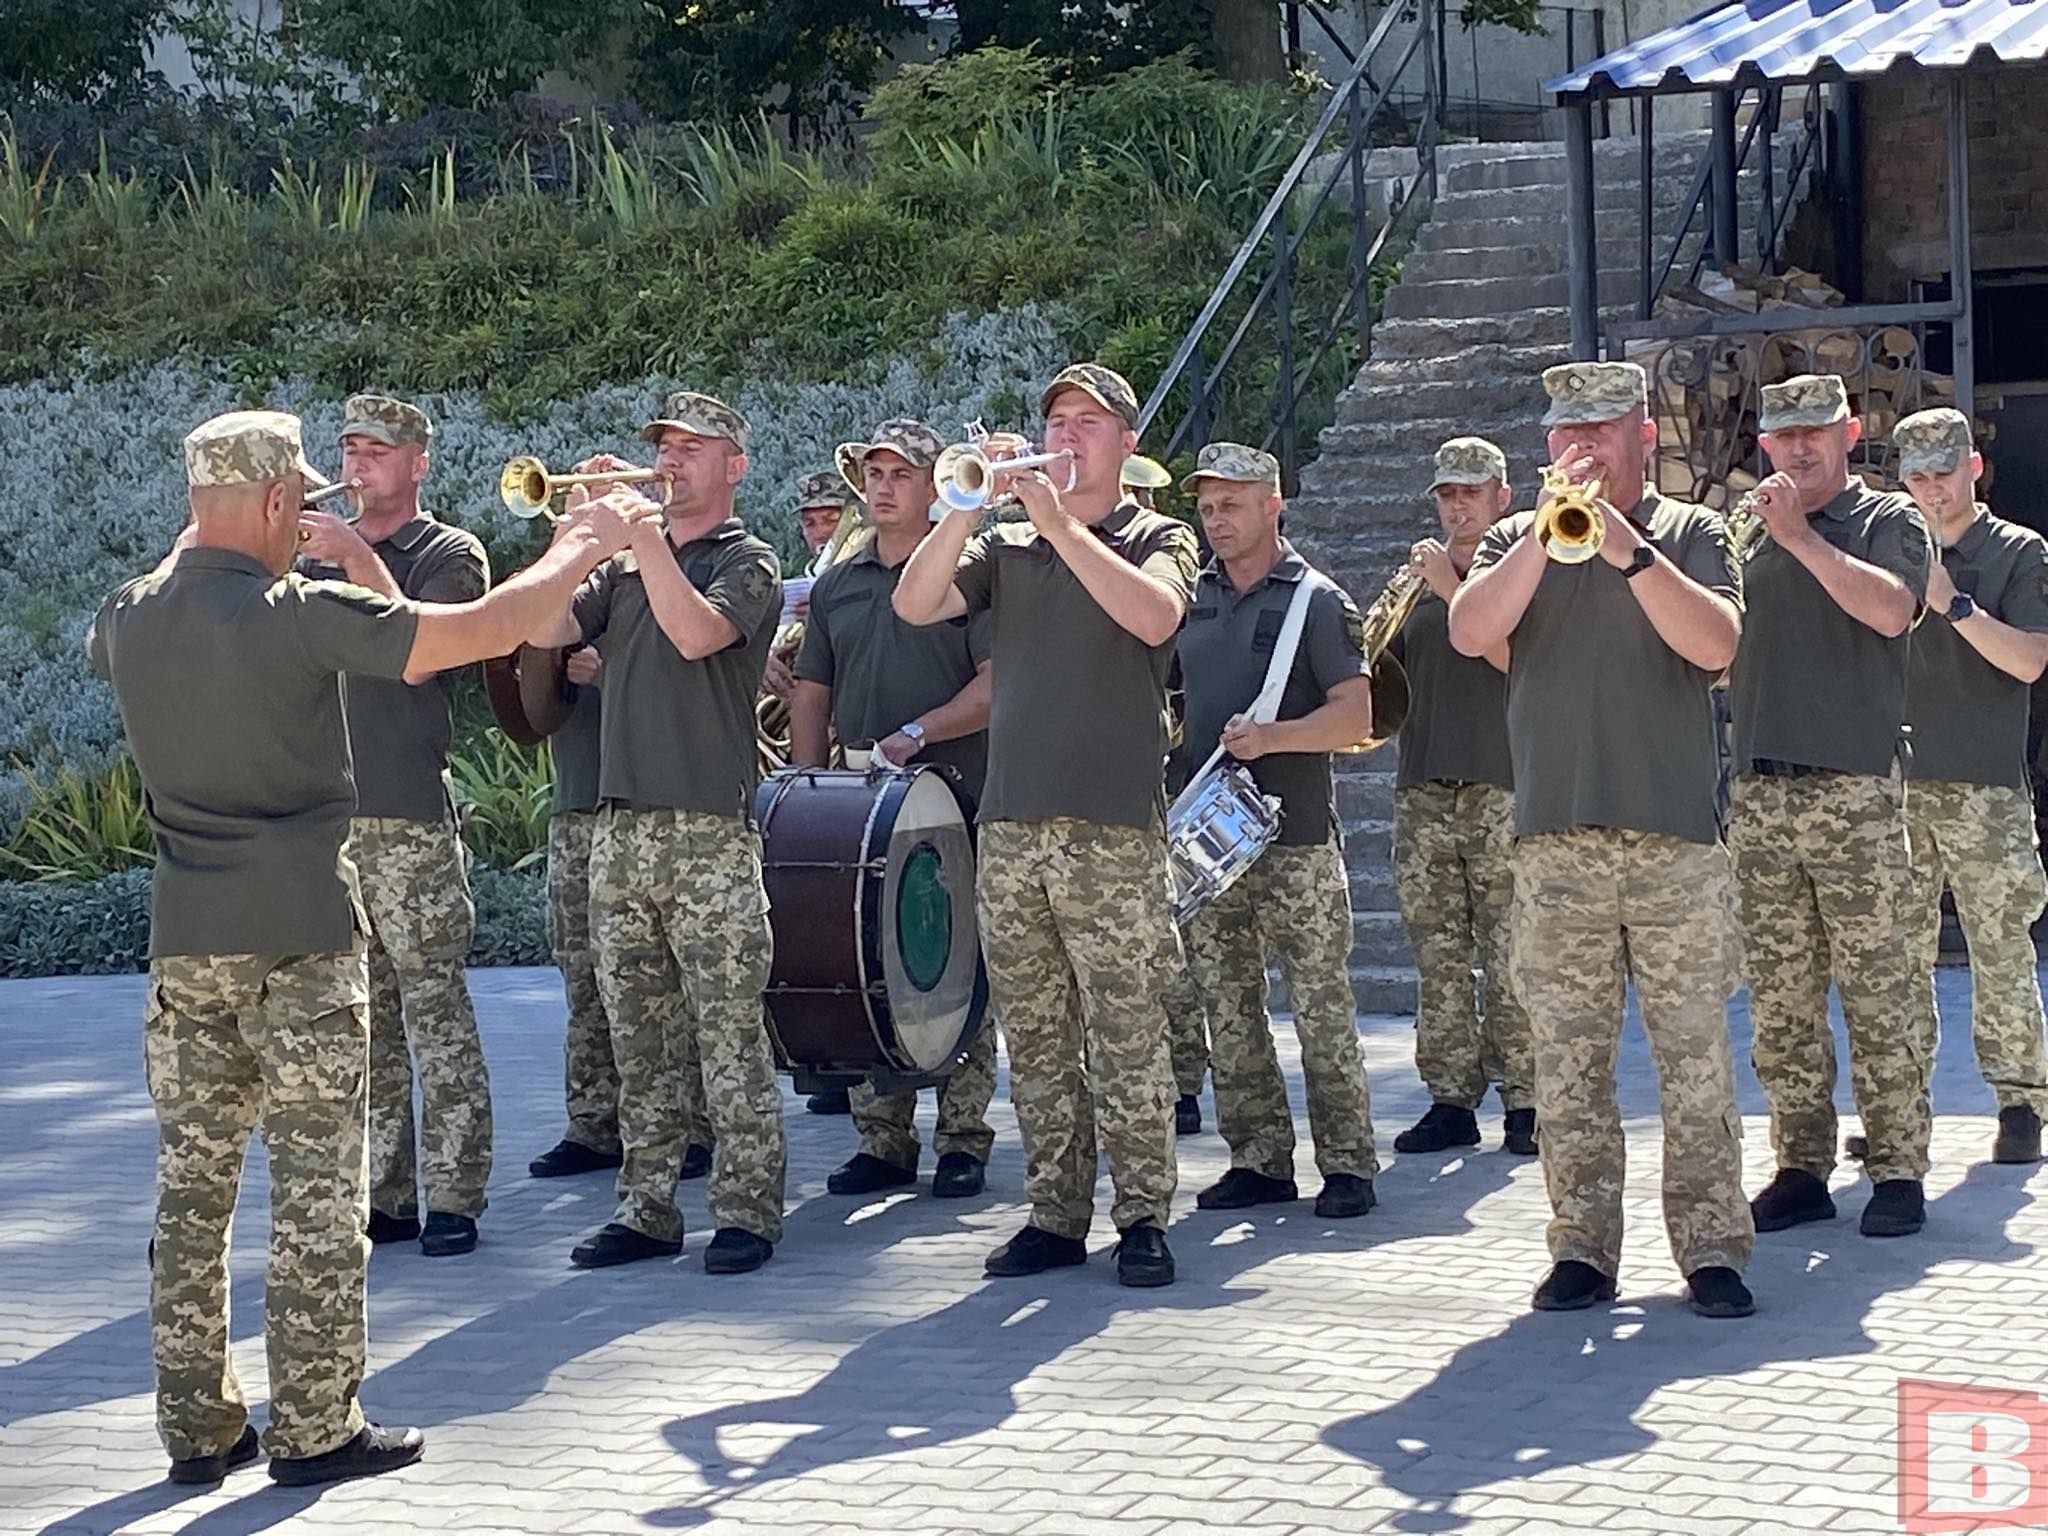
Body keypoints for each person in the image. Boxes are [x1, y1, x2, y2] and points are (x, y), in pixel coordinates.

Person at [90, 409, 642, 1486]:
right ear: (272, 503)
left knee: (190, 1196)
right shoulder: (302, 614)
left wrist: (218, 519)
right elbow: (484, 628)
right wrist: (584, 543)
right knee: (315, 1190)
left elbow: (178, 566)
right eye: (294, 493)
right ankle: (312, 1427)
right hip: (299, 936)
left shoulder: (128, 616)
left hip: (184, 947)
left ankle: (196, 1428)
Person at [1448, 361, 1756, 1319]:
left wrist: (1626, 549)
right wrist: (1544, 541)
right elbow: (1468, 632)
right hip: (1553, 842)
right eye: (1565, 433)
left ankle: (1711, 1249)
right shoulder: (1512, 539)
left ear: (1644, 438)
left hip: (1673, 842)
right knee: (1567, 1062)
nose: (1580, 446)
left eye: (1603, 428)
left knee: (1693, 1059)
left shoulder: (1693, 532)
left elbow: (1716, 646)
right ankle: (1583, 1247)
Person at [894, 363, 1198, 1288]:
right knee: (1035, 1031)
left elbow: (1154, 620)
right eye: (1056, 420)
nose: (1066, 437)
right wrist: (962, 505)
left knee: (1127, 1030)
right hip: (1014, 825)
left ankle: (1143, 1212)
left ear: (1127, 443)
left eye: (1088, 424)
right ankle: (1056, 1212)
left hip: (1111, 828)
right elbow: (916, 603)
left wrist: (1062, 527)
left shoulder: (1160, 535)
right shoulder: (1009, 548)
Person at [532, 391, 788, 1275]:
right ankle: (646, 1208)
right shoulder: (623, 568)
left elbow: (694, 636)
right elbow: (544, 629)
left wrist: (639, 538)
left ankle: (748, 1208)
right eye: (664, 446)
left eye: (691, 447)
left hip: (709, 832)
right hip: (618, 826)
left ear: (734, 465)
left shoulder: (747, 560)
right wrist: (571, 544)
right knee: (636, 1033)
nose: (670, 460)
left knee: (726, 1032)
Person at [1730, 374, 1933, 1240]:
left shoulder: (1889, 522)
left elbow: (1892, 612)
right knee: (1780, 997)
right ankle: (1801, 1162)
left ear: (1851, 432)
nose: (1799, 448)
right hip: (1760, 791)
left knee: (1878, 985)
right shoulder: (1745, 535)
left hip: (1851, 787)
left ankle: (1896, 1168)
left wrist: (1802, 538)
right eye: (1783, 436)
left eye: (1816, 432)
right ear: (1764, 446)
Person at [297, 394, 493, 1258]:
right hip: (332, 824)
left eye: (377, 451)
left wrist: (351, 557)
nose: (357, 465)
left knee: (435, 1013)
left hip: (410, 818)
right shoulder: (307, 562)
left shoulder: (448, 555)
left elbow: (423, 655)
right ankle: (387, 1191)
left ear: (418, 464)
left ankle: (455, 1192)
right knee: (362, 1020)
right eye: (349, 449)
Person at [789, 417, 1000, 1198]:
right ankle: (883, 1140)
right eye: (873, 474)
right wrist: (805, 791)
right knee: (866, 960)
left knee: (956, 967)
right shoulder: (838, 583)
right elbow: (813, 694)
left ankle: (963, 1136)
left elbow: (993, 686)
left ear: (933, 484)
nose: (881, 488)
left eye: (900, 474)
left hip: (955, 795)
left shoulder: (968, 571)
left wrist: (921, 731)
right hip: (858, 801)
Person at [1172, 442, 1379, 1219]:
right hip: (1207, 843)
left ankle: (1349, 1162)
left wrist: (1276, 739)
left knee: (1321, 1004)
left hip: (1293, 843)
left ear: (1273, 504)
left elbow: (1356, 715)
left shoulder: (1316, 601)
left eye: (1232, 504)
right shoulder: (1189, 598)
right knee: (1227, 1005)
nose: (1217, 520)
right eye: (1207, 507)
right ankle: (1258, 1158)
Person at [1894, 406, 2048, 1165]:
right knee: (1897, 956)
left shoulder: (2016, 550)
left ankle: (2020, 1102)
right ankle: (1903, 1110)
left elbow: (2028, 661)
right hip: (1898, 786)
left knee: (2000, 948)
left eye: (1944, 474)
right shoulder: (1885, 546)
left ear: (1974, 468)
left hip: (1984, 785)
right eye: (1917, 478)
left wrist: (1951, 601)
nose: (1932, 491)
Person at [1388, 436, 1535, 1157]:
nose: (1456, 506)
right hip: (1424, 785)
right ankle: (1450, 1096)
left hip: (1502, 783)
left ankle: (1527, 1097)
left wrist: (1454, 590)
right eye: (1446, 494)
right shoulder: (1416, 578)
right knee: (1437, 953)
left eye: (1470, 493)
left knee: (1511, 951)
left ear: (1502, 498)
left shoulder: (1526, 569)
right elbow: (1383, 677)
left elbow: (1522, 665)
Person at [524, 655, 719, 1186]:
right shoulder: (576, 603)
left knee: (670, 982)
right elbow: (525, 714)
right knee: (582, 970)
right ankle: (593, 1122)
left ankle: (695, 1126)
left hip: (652, 807)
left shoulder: (654, 592)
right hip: (577, 806)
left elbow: (691, 696)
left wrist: (611, 672)